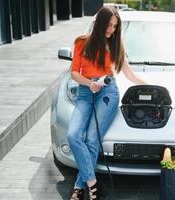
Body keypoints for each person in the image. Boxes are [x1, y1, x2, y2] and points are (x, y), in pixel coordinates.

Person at [67, 6, 146, 200]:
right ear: (101, 22)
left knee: (92, 140)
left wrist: (149, 85)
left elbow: (128, 73)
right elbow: (75, 73)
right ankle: (93, 183)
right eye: (109, 25)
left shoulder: (115, 45)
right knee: (73, 135)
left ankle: (79, 189)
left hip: (107, 93)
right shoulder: (81, 42)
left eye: (115, 26)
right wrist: (89, 83)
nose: (111, 30)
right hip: (86, 92)